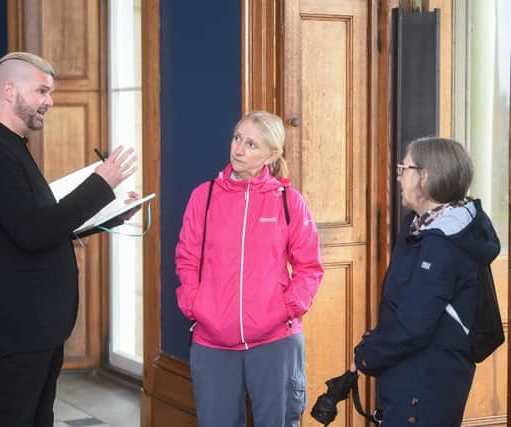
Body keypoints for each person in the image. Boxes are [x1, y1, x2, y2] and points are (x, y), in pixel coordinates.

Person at [0, 52, 140, 427]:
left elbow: (43, 225)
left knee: (38, 419)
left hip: (38, 323)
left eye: (50, 92)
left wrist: (112, 213)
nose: (50, 101)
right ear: (9, 90)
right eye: (41, 90)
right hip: (19, 324)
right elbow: (33, 231)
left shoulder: (11, 146)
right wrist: (100, 183)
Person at [175, 110, 324, 426]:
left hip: (275, 342)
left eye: (251, 145)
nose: (239, 149)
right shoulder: (204, 197)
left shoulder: (289, 202)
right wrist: (194, 304)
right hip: (212, 342)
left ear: (272, 155)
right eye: (237, 138)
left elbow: (309, 266)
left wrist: (287, 308)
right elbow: (187, 259)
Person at [351, 137, 500, 426]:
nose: (398, 177)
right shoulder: (418, 226)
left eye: (403, 168)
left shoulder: (444, 241)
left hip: (429, 380)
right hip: (410, 371)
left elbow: (414, 325)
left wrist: (367, 356)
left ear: (425, 176)